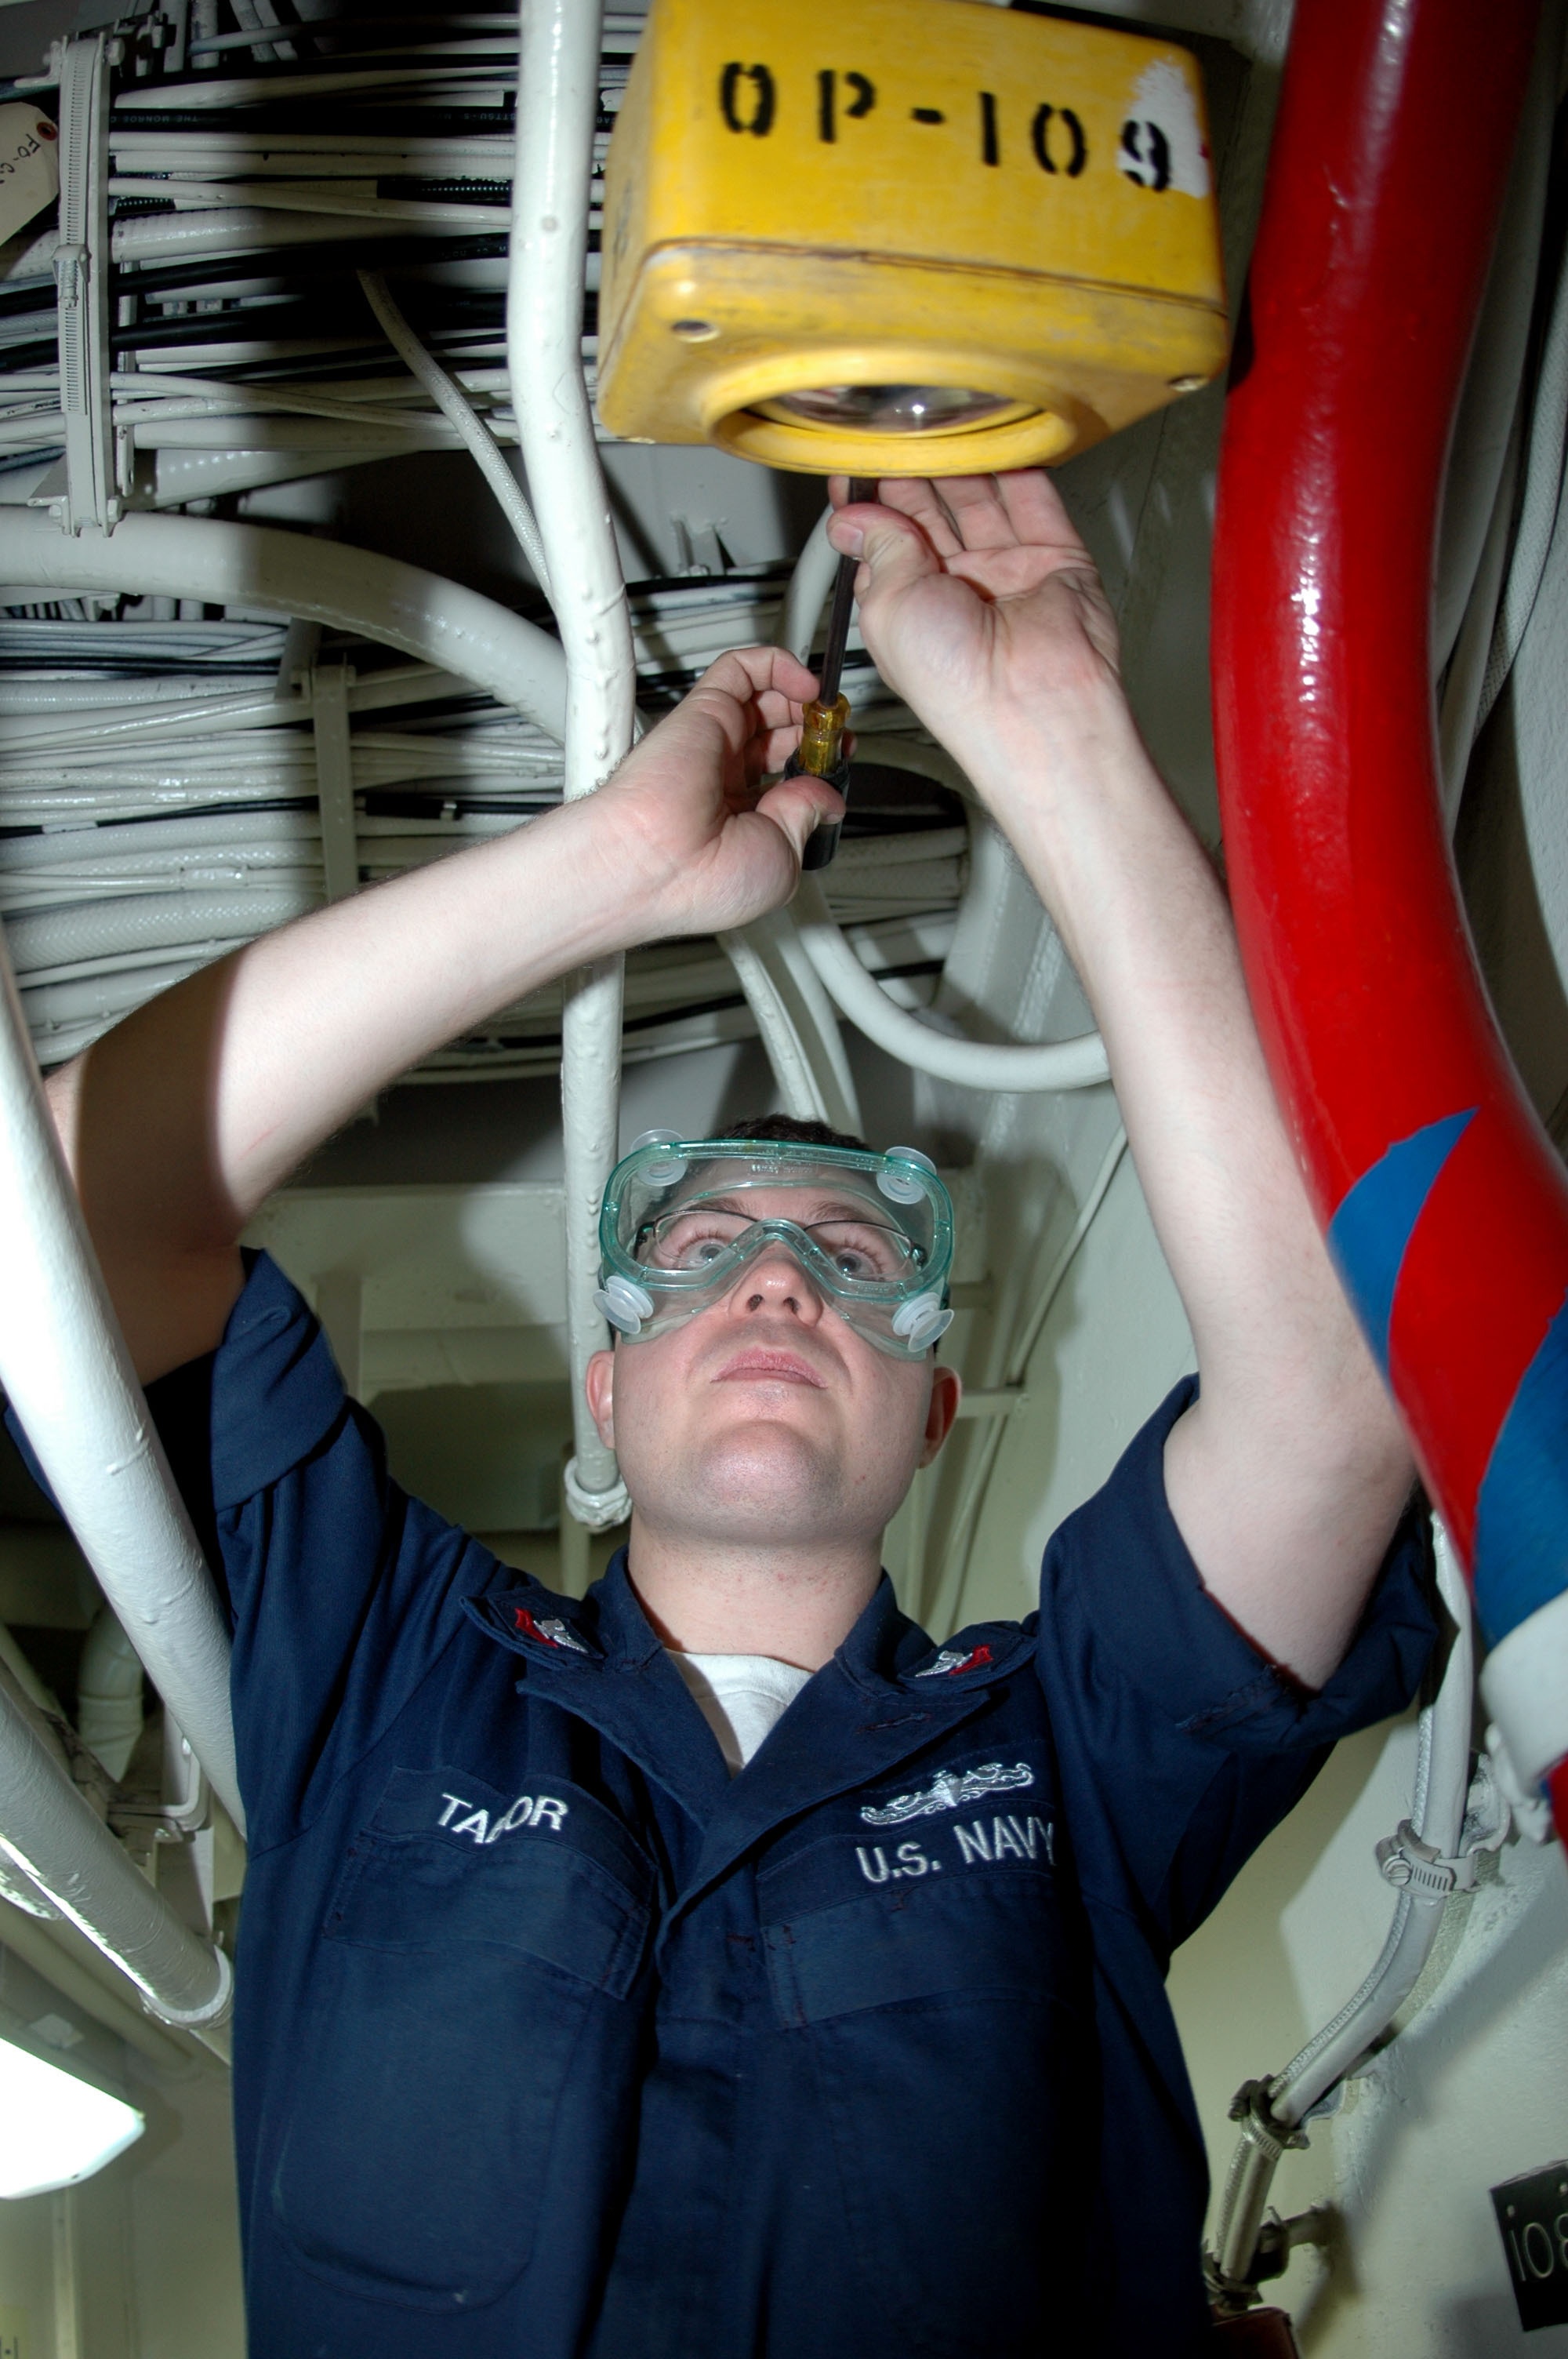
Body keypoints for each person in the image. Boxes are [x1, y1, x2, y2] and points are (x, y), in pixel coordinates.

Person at [34, 471, 1433, 2356]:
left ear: (935, 1410)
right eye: (701, 1250)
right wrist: (604, 869)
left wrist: (1058, 740)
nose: (778, 1280)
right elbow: (64, 1217)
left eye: (853, 1253)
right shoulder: (380, 1664)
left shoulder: (1069, 1749)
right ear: (604, 1391)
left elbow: (1341, 1394)